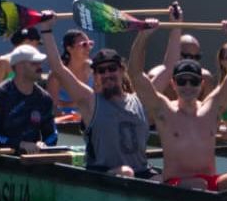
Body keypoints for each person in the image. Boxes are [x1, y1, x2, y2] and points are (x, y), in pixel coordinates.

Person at [126, 7, 227, 191]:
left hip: (208, 183)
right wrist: (143, 36)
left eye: (193, 81)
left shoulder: (212, 108)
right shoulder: (164, 110)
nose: (188, 86)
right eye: (182, 81)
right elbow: (135, 74)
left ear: (201, 84)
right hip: (176, 184)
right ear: (173, 84)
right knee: (198, 184)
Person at [40, 24, 153, 178]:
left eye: (112, 69)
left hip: (141, 172)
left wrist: (145, 34)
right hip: (105, 175)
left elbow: (164, 68)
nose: (107, 74)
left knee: (165, 180)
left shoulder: (138, 100)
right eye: (101, 71)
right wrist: (46, 29)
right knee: (126, 172)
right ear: (95, 76)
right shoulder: (90, 101)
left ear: (121, 70)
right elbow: (58, 69)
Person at [0, 45, 58, 153]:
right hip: (1, 159)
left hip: (32, 159)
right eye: (34, 63)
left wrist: (45, 144)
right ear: (19, 66)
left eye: (40, 63)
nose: (40, 67)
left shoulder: (44, 98)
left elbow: (52, 134)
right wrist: (19, 144)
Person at [147, 4, 215, 100]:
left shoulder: (205, 78)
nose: (191, 61)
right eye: (186, 56)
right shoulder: (155, 76)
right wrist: (143, 36)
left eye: (196, 57)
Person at [47, 28, 95, 115]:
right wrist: (71, 105)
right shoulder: (56, 75)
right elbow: (51, 106)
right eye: (84, 44)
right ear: (69, 49)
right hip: (64, 120)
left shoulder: (93, 69)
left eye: (90, 44)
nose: (88, 48)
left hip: (91, 119)